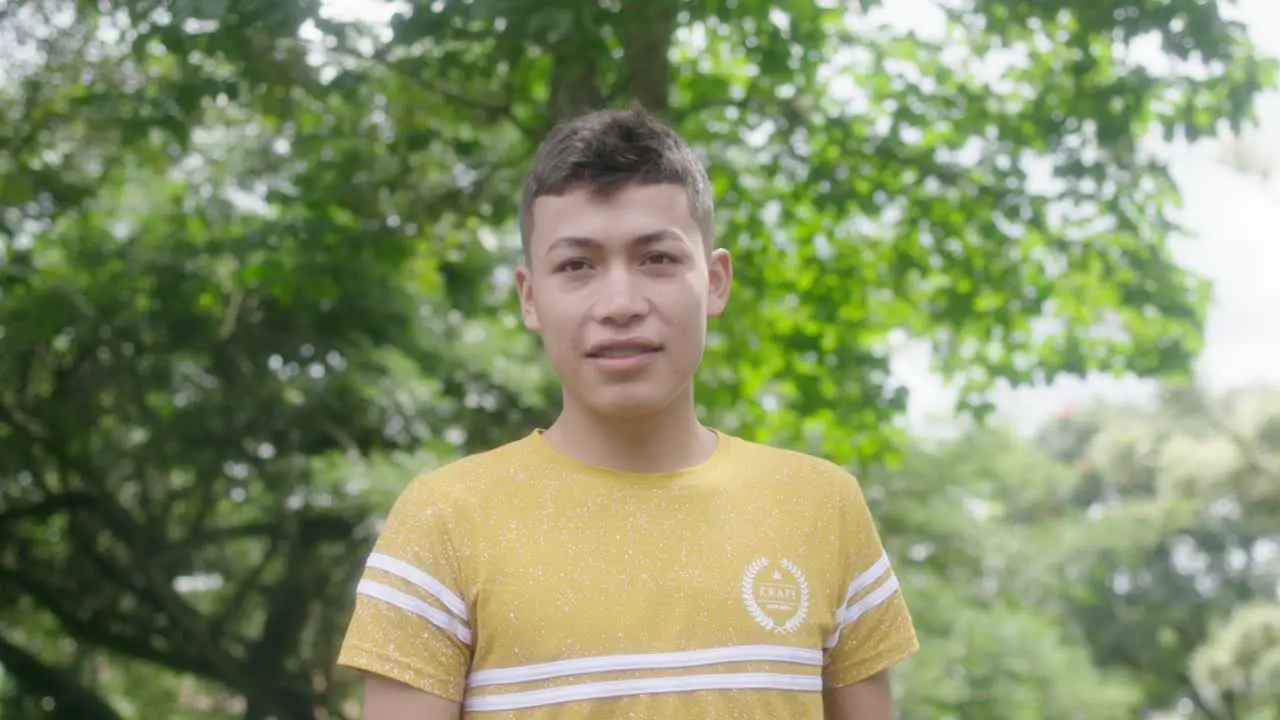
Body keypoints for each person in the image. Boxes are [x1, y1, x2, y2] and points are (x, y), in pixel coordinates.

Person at [335, 106, 919, 719]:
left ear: (715, 281)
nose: (619, 304)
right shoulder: (443, 521)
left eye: (657, 259)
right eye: (577, 266)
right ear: (531, 298)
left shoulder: (823, 506)